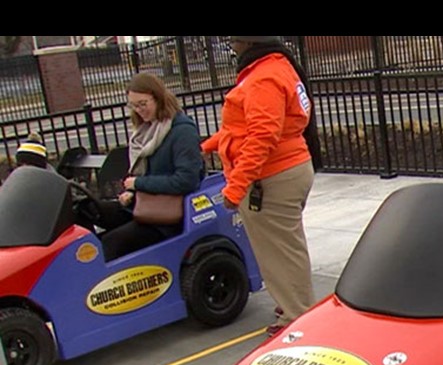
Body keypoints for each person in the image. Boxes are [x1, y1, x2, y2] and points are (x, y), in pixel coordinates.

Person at [201, 36, 321, 337]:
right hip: (287, 170)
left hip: (271, 179)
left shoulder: (263, 77)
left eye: (233, 41)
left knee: (280, 252)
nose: (231, 47)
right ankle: (294, 306)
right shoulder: (276, 67)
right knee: (284, 249)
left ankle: (297, 320)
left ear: (247, 43)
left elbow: (262, 136)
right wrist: (210, 145)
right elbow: (243, 129)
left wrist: (236, 187)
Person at [78, 73, 204, 261]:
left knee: (112, 242)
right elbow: (147, 171)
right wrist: (133, 190)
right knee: (85, 209)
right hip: (142, 202)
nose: (138, 111)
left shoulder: (182, 131)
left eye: (143, 104)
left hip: (166, 216)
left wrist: (139, 184)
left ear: (158, 98)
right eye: (133, 106)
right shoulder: (146, 129)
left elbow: (187, 180)